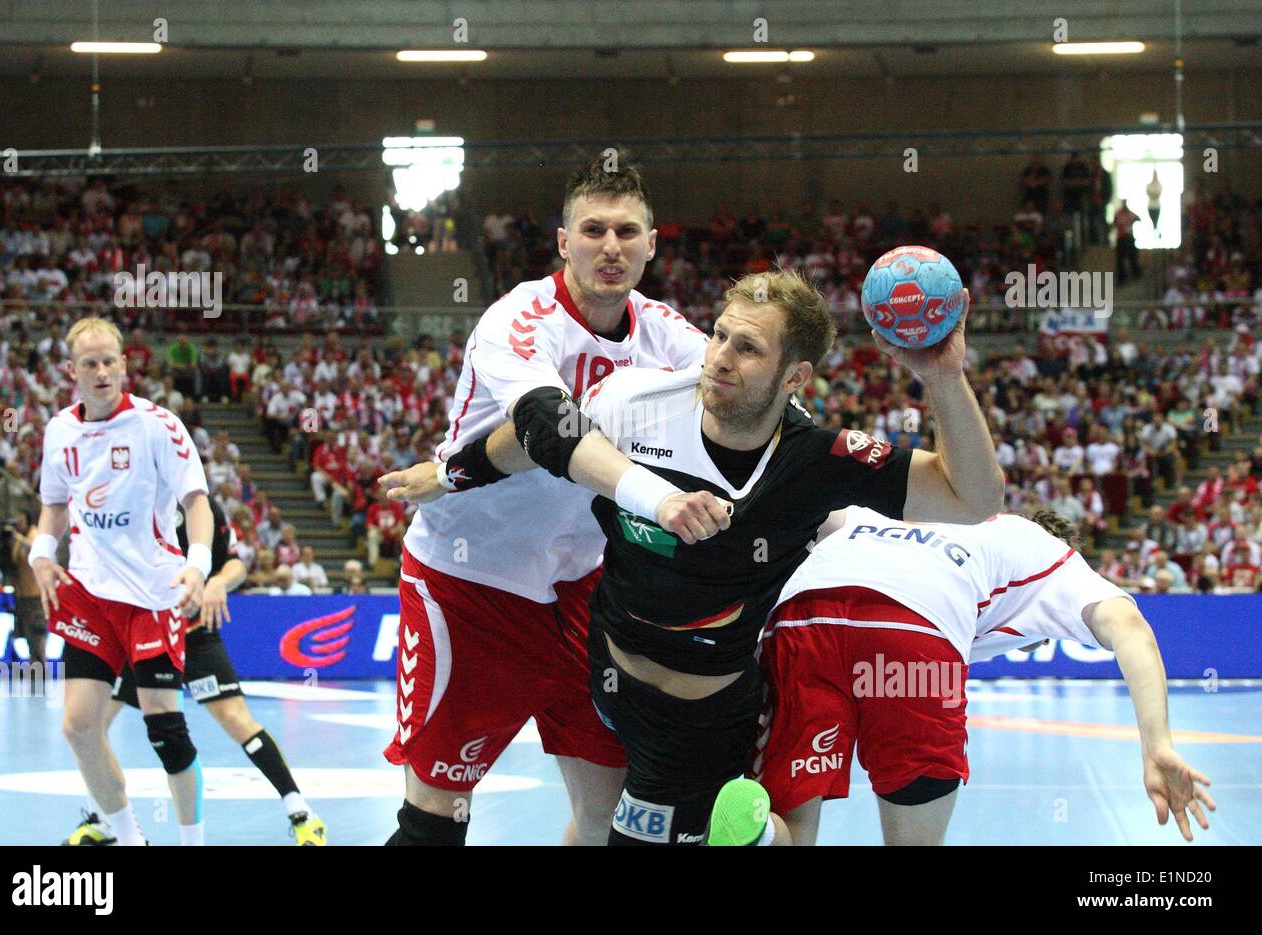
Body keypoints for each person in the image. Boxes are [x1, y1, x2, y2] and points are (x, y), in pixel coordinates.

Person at [385, 268, 1002, 845]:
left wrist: (945, 378)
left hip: (697, 722)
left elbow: (971, 498)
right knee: (583, 822)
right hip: (603, 671)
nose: (720, 358)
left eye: (748, 349)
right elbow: (534, 438)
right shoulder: (634, 401)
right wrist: (447, 473)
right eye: (719, 335)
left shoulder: (820, 461)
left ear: (794, 376)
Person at [374, 151, 714, 846]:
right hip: (471, 582)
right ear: (564, 242)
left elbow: (740, 400)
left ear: (652, 243)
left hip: (585, 585)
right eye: (593, 230)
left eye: (627, 231)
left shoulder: (669, 333)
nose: (610, 246)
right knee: (435, 817)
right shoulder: (519, 318)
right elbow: (549, 432)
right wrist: (657, 498)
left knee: (616, 812)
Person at [709, 507, 1215, 846]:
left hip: (803, 616)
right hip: (911, 633)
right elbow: (1130, 628)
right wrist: (1157, 745)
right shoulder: (1049, 554)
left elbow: (801, 515)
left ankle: (761, 832)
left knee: (790, 825)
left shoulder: (903, 515)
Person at [31, 317, 214, 847]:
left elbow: (195, 502)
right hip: (88, 594)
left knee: (166, 732)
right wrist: (43, 554)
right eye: (90, 363)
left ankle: (192, 843)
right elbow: (54, 506)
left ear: (124, 364)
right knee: (78, 726)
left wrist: (197, 564)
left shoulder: (158, 425)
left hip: (153, 594)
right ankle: (130, 840)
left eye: (110, 360)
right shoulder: (59, 430)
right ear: (72, 371)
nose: (102, 370)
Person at [62, 498, 327, 846]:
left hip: (194, 634)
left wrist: (217, 583)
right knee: (89, 725)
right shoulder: (123, 495)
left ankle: (302, 814)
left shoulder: (199, 505)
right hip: (139, 633)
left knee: (237, 720)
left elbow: (235, 565)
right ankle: (103, 821)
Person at [5, 510, 48, 665]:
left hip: (35, 594)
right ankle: (32, 662)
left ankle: (40, 665)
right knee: (26, 633)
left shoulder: (34, 534)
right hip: (21, 594)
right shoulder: (14, 539)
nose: (18, 524)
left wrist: (16, 537)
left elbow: (34, 550)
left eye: (21, 520)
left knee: (37, 631)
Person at [1113, 199, 1142, 286]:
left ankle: (1136, 274)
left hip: (1128, 238)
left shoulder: (1129, 214)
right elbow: (1114, 222)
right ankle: (1123, 277)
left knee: (1132, 257)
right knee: (1121, 260)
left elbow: (1138, 218)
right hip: (1122, 238)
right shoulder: (1119, 214)